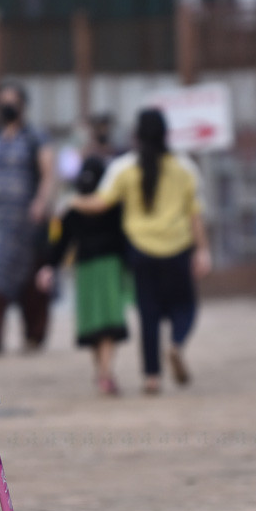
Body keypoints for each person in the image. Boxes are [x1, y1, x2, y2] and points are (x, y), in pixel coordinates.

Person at [69, 108, 211, 394]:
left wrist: (73, 202)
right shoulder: (184, 167)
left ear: (136, 135)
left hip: (140, 249)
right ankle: (176, 344)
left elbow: (101, 203)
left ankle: (151, 377)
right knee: (185, 305)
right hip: (177, 246)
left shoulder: (125, 167)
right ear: (166, 133)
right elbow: (195, 214)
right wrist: (203, 250)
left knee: (149, 311)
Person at [0, 80, 56, 353]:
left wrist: (42, 201)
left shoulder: (36, 137)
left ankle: (33, 335)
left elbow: (50, 173)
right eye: (2, 101)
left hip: (27, 221)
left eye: (12, 101)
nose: (7, 107)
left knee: (31, 277)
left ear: (22, 105)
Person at [36, 156, 131, 395]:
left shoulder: (72, 206)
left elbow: (61, 240)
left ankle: (103, 372)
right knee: (108, 323)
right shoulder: (113, 202)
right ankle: (105, 373)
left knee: (94, 324)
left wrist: (50, 265)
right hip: (110, 266)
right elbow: (126, 236)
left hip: (85, 269)